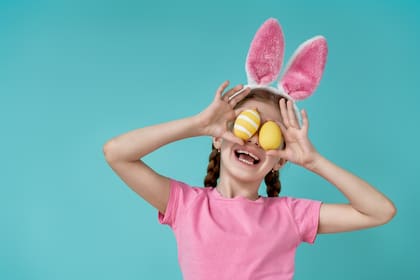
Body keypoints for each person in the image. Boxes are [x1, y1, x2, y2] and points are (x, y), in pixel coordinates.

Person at [103, 19, 396, 280]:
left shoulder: (291, 216)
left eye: (270, 133)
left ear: (280, 159)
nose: (254, 139)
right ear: (219, 138)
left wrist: (315, 161)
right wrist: (197, 125)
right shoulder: (186, 206)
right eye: (246, 124)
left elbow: (379, 211)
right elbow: (116, 153)